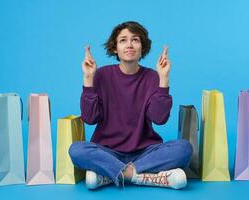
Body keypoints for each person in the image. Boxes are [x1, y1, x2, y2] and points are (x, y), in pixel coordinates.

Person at [69, 21, 192, 190]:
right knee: (76, 150)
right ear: (115, 48)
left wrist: (164, 79)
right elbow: (90, 119)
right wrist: (88, 79)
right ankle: (143, 177)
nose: (129, 45)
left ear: (142, 48)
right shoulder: (101, 75)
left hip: (145, 152)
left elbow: (159, 118)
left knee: (184, 148)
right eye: (123, 40)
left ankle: (109, 175)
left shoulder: (152, 77)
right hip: (107, 151)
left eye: (135, 40)